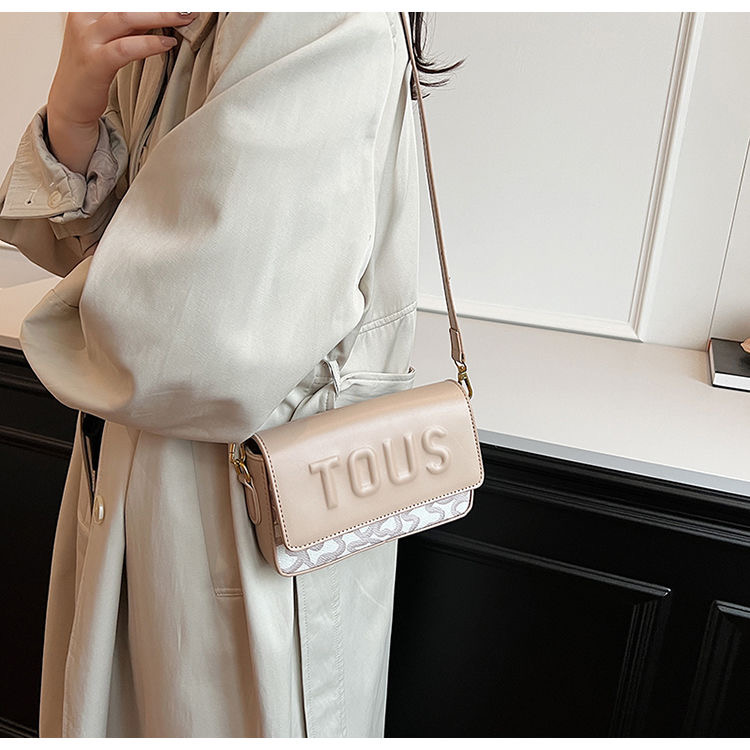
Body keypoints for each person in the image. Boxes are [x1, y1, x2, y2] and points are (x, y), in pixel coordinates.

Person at [0, 12, 460, 738]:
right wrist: (74, 110)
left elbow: (181, 340)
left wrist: (85, 314)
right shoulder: (181, 24)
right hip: (144, 495)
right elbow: (104, 252)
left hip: (245, 533)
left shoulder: (313, 18)